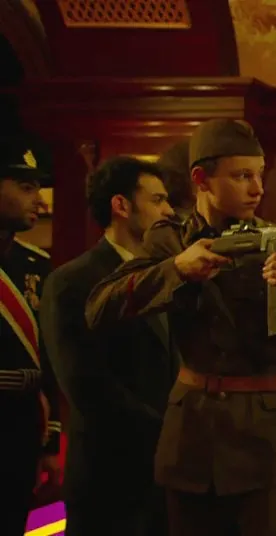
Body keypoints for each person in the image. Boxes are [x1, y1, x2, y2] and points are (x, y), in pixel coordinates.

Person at [84, 119, 276, 536]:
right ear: (201, 179)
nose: (257, 188)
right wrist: (177, 270)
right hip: (194, 439)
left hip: (269, 443)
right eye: (242, 176)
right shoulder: (170, 241)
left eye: (259, 174)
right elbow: (100, 307)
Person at [41, 156, 177, 536]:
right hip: (109, 475)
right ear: (121, 205)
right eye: (157, 200)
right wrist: (167, 430)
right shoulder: (72, 281)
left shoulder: (167, 273)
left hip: (167, 479)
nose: (169, 211)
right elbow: (85, 384)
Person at [0, 143, 60, 536]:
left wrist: (50, 438)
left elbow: (50, 355)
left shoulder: (37, 264)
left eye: (38, 188)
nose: (38, 200)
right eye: (25, 187)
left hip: (21, 427)